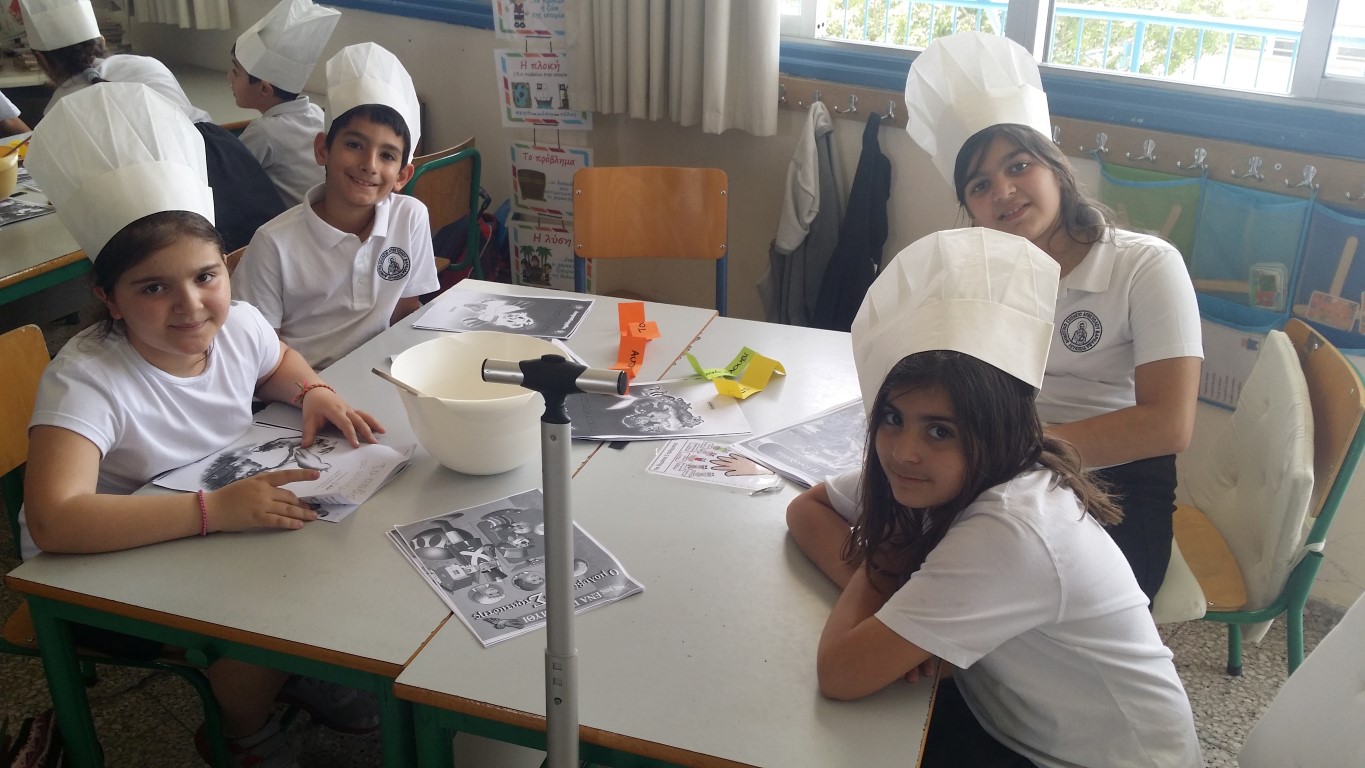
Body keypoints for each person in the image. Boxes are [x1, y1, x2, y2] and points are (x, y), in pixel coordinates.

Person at [22, 82, 383, 768]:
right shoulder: (88, 378)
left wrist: (311, 390)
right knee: (280, 602)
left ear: (225, 268)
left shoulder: (237, 323)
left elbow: (275, 361)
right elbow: (54, 521)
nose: (191, 306)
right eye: (154, 288)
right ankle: (243, 732)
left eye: (206, 276)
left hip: (209, 510)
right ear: (108, 298)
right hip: (103, 559)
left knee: (333, 546)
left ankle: (287, 675)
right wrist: (213, 511)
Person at [792, 32, 1202, 603]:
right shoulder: (973, 269)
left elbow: (1168, 425)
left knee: (977, 591)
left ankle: (903, 625)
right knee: (819, 514)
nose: (1003, 192)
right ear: (970, 206)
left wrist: (1011, 452)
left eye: (1019, 165)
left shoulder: (1145, 265)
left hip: (1109, 483)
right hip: (989, 463)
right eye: (980, 185)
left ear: (1055, 167)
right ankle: (887, 612)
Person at [793, 228, 1202, 767]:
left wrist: (888, 572)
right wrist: (896, 614)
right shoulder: (954, 471)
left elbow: (840, 673)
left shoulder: (1011, 525)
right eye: (892, 418)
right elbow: (807, 509)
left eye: (940, 430)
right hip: (1012, 718)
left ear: (994, 431)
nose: (904, 451)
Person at [232, 42, 439, 370]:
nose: (369, 165)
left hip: (379, 373)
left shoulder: (410, 217)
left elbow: (404, 311)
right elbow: (261, 358)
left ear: (402, 175)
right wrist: (317, 391)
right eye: (354, 144)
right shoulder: (273, 244)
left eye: (387, 155)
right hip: (303, 386)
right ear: (322, 150)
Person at [19, 0, 287, 251]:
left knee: (198, 251)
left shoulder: (57, 110)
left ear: (41, 60)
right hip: (220, 155)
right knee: (258, 245)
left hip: (156, 188)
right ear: (101, 41)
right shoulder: (146, 64)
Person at [229, 0, 339, 206]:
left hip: (295, 221)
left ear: (264, 89)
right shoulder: (316, 112)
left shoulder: (263, 132)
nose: (229, 78)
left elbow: (227, 175)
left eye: (236, 72)